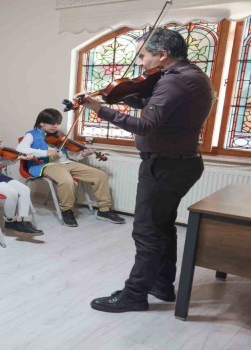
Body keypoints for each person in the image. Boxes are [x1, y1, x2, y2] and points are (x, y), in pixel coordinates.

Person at [78, 28, 213, 312]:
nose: (140, 63)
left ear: (162, 54)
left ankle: (134, 295)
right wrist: (124, 95)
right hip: (180, 162)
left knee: (146, 231)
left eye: (143, 55)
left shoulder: (174, 82)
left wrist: (99, 109)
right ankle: (162, 286)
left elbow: (145, 125)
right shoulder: (191, 75)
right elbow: (154, 107)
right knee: (162, 228)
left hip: (165, 165)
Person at [16, 108, 125, 227]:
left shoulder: (59, 136)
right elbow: (20, 150)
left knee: (101, 175)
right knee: (67, 181)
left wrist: (81, 154)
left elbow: (71, 155)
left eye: (58, 123)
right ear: (42, 123)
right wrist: (46, 153)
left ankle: (104, 210)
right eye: (52, 123)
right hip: (46, 165)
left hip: (67, 163)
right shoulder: (32, 134)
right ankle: (67, 211)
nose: (56, 126)